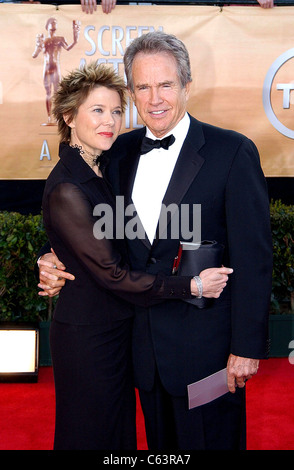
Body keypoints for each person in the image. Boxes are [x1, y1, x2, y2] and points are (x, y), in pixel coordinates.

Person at [38, 32, 272, 450]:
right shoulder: (119, 152)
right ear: (132, 93)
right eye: (143, 87)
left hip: (208, 354)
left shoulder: (232, 152)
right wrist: (54, 256)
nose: (155, 98)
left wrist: (247, 347)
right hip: (140, 352)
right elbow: (94, 224)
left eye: (165, 84)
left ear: (186, 84)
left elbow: (254, 259)